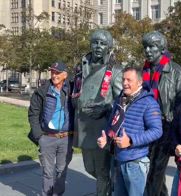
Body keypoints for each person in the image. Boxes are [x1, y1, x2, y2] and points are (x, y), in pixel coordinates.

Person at [97, 66, 163, 196]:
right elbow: (111, 124)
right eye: (123, 79)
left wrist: (131, 141)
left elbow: (157, 130)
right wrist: (106, 138)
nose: (125, 83)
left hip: (135, 163)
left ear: (139, 82)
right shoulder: (119, 100)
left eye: (129, 80)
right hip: (118, 159)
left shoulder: (148, 102)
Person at [72, 29, 123, 196]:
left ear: (108, 48)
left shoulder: (115, 71)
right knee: (89, 167)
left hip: (102, 127)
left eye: (103, 44)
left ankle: (104, 190)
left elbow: (122, 101)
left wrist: (106, 107)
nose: (98, 46)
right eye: (95, 42)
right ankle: (110, 185)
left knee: (101, 170)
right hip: (84, 126)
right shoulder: (81, 66)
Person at [142, 31, 181, 196]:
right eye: (145, 46)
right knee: (149, 169)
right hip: (146, 126)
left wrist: (176, 128)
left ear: (162, 49)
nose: (148, 50)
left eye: (152, 46)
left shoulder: (175, 71)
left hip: (166, 127)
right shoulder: (143, 71)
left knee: (155, 170)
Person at [28, 62, 74, 196]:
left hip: (66, 138)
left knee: (61, 171)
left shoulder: (72, 90)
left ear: (65, 75)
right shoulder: (42, 91)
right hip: (47, 138)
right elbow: (33, 114)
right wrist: (39, 137)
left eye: (57, 72)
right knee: (48, 172)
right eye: (53, 72)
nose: (54, 75)